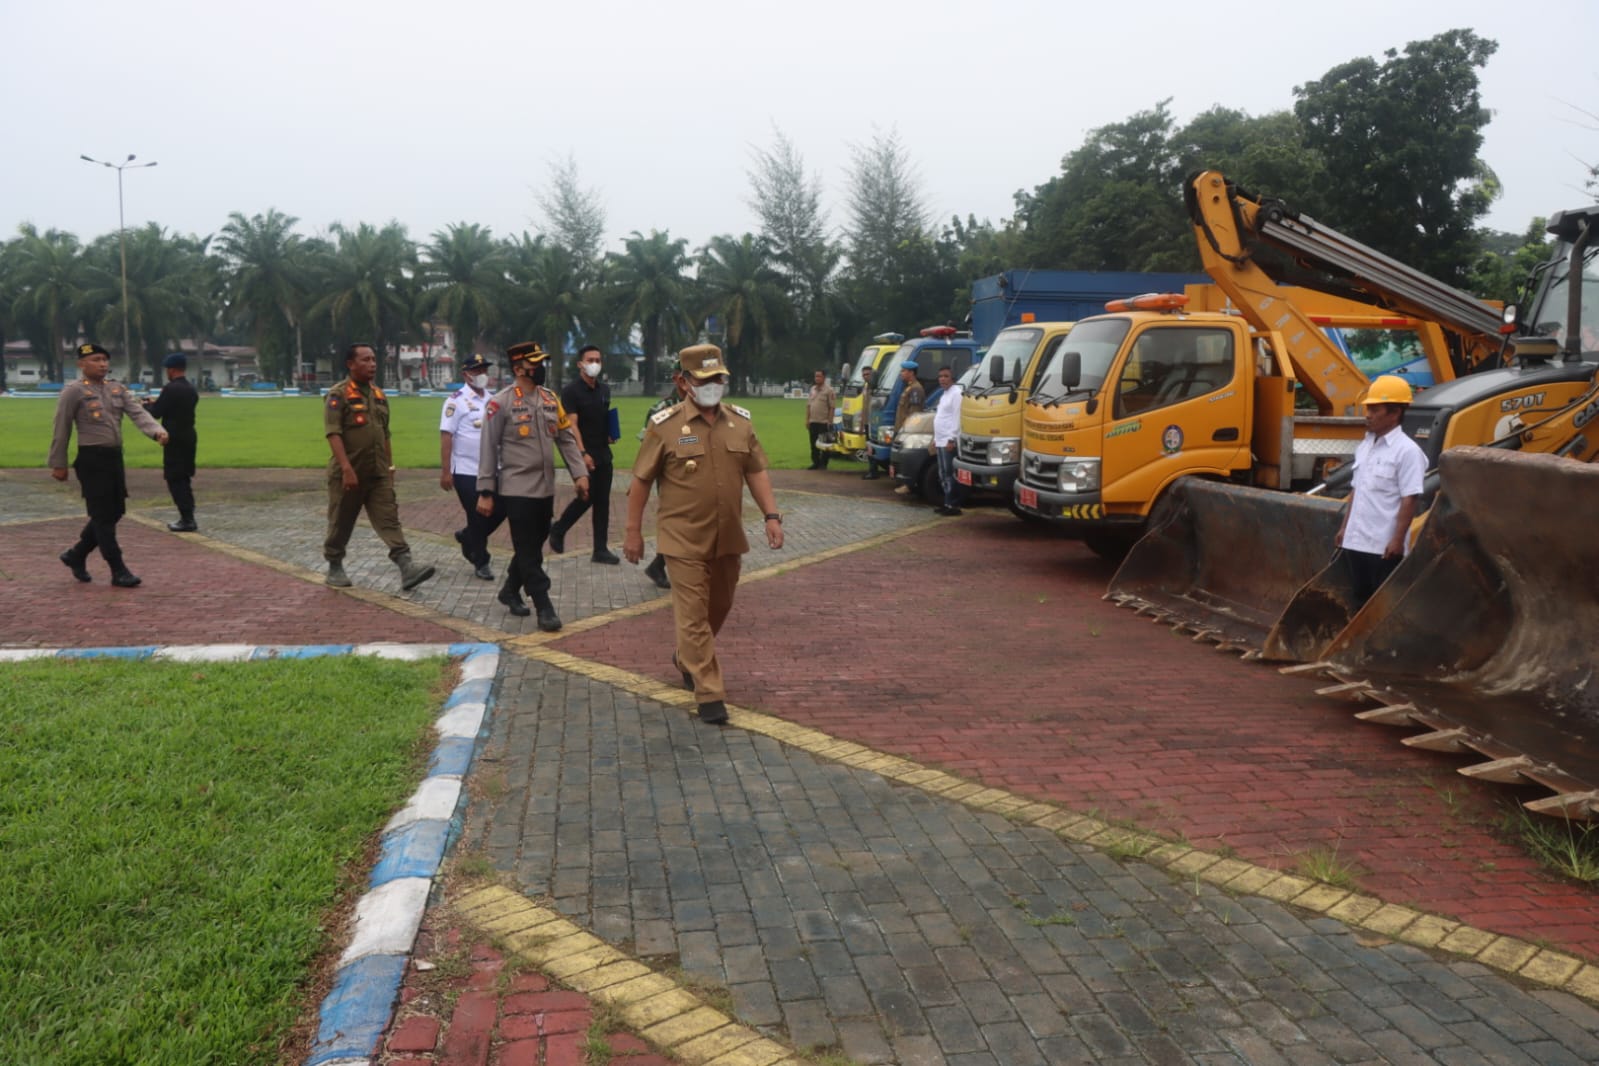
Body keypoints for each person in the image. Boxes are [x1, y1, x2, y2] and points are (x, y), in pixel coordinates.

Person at [622, 343, 784, 724]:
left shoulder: (740, 423)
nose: (714, 385)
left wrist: (771, 515)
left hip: (728, 536)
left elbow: (756, 470)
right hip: (681, 538)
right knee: (692, 615)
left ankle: (685, 657)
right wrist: (633, 532)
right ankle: (709, 692)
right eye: (705, 378)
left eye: (719, 378)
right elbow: (641, 481)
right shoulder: (664, 426)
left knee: (720, 606)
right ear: (683, 382)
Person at [476, 341, 590, 631]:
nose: (540, 369)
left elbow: (565, 437)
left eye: (541, 363)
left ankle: (510, 590)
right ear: (518, 368)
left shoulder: (550, 399)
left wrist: (579, 474)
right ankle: (544, 604)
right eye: (534, 364)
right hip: (516, 489)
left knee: (531, 547)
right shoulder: (499, 403)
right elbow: (488, 448)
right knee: (528, 550)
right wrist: (486, 492)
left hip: (545, 489)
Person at [49, 342, 170, 587]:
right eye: (96, 360)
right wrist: (58, 463)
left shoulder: (117, 389)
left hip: (114, 458)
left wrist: (156, 431)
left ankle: (76, 555)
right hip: (91, 459)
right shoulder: (73, 391)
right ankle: (118, 569)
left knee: (114, 512)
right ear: (81, 364)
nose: (102, 364)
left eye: (104, 359)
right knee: (103, 517)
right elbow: (61, 428)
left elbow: (138, 413)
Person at [322, 343, 436, 592]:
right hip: (349, 473)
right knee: (341, 520)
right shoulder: (337, 395)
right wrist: (346, 468)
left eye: (374, 359)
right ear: (350, 364)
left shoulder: (379, 395)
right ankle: (335, 564)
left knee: (389, 518)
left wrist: (390, 467)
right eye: (365, 360)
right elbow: (333, 433)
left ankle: (407, 567)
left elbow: (385, 435)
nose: (372, 364)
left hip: (378, 473)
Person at [1334, 374, 1427, 604]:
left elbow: (1409, 499)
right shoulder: (1366, 446)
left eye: (1375, 409)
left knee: (1380, 605)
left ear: (1395, 413)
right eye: (1368, 408)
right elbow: (1358, 490)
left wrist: (1397, 540)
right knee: (1358, 599)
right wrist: (1345, 527)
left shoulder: (1407, 452)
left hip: (1383, 547)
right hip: (1357, 542)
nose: (1368, 415)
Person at [549, 344, 620, 564]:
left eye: (598, 360)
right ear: (580, 364)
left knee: (602, 501)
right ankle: (559, 529)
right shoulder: (571, 391)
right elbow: (572, 425)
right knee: (586, 496)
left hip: (603, 451)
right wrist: (582, 453)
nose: (594, 364)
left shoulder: (604, 390)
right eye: (590, 360)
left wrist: (610, 433)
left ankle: (600, 548)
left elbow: (604, 416)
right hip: (584, 451)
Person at [439, 353, 502, 581]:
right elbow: (447, 436)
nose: (482, 375)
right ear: (465, 375)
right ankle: (481, 560)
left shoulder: (493, 399)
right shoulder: (455, 401)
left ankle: (468, 537)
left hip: (492, 469)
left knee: (500, 509)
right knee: (478, 515)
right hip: (465, 469)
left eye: (484, 371)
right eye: (477, 371)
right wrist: (446, 471)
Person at [638, 364, 689, 590]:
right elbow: (648, 445)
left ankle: (660, 564)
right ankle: (661, 564)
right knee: (678, 524)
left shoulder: (706, 407)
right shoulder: (661, 408)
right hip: (671, 476)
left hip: (697, 474)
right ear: (677, 379)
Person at [145, 352, 200, 531]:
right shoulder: (191, 389)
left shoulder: (170, 389)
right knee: (184, 476)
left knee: (175, 478)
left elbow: (157, 412)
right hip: (189, 435)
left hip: (174, 437)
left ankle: (187, 518)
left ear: (172, 369)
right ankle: (189, 514)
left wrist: (145, 405)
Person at [930, 365, 965, 516]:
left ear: (953, 378)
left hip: (948, 440)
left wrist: (952, 438)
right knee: (942, 473)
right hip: (940, 439)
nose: (942, 379)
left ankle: (954, 504)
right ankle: (947, 502)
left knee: (950, 473)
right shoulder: (944, 394)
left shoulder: (956, 394)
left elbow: (957, 418)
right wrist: (935, 438)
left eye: (946, 376)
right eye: (940, 376)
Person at [805, 369, 836, 470]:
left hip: (823, 422)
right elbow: (809, 405)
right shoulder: (813, 389)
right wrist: (807, 419)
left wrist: (830, 421)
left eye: (819, 376)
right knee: (813, 444)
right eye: (816, 376)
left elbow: (832, 407)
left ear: (824, 377)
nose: (817, 378)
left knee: (824, 445)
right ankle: (815, 462)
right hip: (813, 421)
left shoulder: (829, 390)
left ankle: (823, 464)